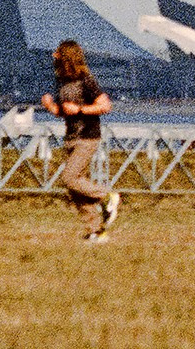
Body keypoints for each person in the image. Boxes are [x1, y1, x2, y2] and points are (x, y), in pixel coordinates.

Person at [40, 39, 121, 242]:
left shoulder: (86, 80)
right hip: (71, 137)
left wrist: (81, 109)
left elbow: (105, 106)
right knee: (75, 189)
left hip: (87, 136)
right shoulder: (62, 82)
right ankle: (96, 231)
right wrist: (51, 107)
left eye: (57, 53)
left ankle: (106, 196)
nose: (53, 56)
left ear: (67, 56)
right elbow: (65, 112)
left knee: (70, 177)